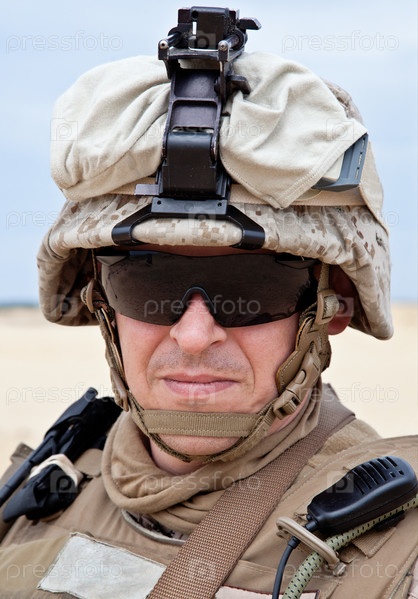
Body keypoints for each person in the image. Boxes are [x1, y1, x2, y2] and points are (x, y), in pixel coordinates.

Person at [0, 7, 417, 599]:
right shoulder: (43, 487)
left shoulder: (398, 557)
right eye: (147, 283)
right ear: (102, 302)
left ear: (333, 306)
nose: (195, 335)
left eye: (252, 290)